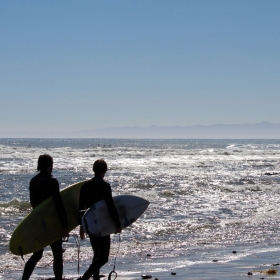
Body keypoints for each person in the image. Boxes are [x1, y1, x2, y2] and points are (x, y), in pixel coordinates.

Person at [22, 154, 69, 280]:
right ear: (50, 165)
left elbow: (33, 204)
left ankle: (24, 279)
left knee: (37, 254)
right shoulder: (52, 181)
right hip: (52, 222)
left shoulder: (33, 181)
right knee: (57, 254)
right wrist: (65, 226)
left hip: (38, 223)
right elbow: (58, 204)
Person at [78, 159, 122, 280]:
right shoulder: (105, 186)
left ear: (93, 170)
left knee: (97, 254)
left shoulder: (85, 186)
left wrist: (81, 226)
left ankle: (95, 278)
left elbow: (81, 208)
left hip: (91, 223)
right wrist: (118, 224)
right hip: (103, 223)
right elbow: (110, 206)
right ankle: (85, 277)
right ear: (105, 171)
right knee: (103, 257)